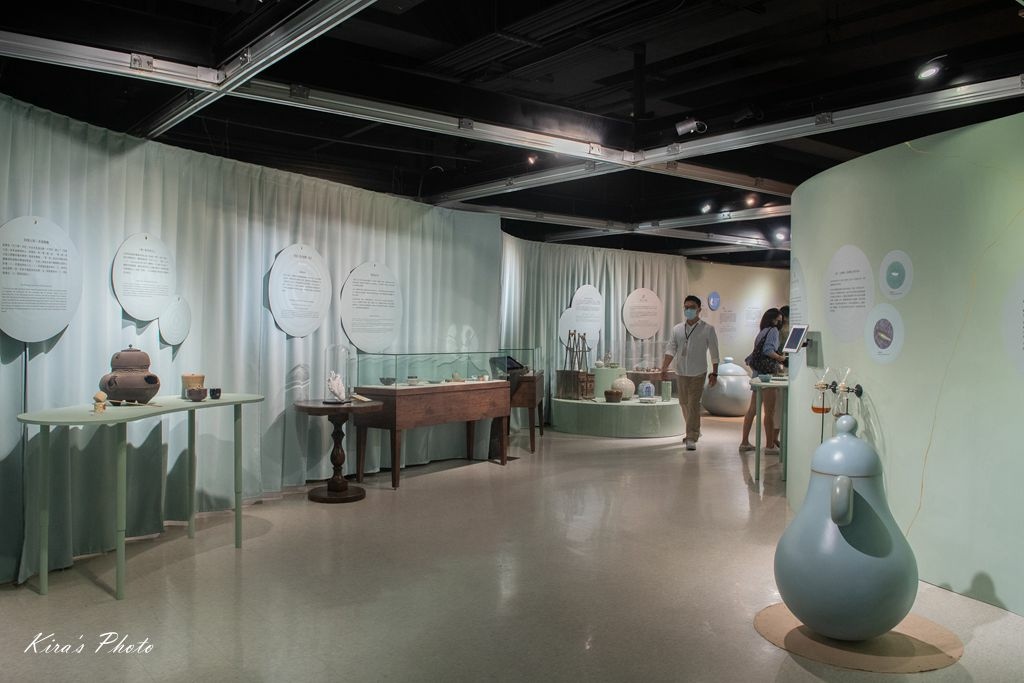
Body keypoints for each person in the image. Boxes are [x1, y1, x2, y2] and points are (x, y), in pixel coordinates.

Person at [661, 295, 720, 451]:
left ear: (699, 309)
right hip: (681, 371)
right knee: (684, 403)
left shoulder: (708, 329)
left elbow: (714, 353)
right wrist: (664, 367)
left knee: (693, 404)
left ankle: (691, 436)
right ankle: (695, 428)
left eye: (692, 307)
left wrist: (715, 373)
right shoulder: (677, 329)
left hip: (698, 372)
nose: (688, 310)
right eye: (686, 307)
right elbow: (671, 348)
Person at [739, 308, 786, 453]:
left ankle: (744, 442)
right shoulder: (773, 331)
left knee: (752, 409)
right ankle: (770, 446)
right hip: (767, 376)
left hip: (757, 375)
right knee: (769, 412)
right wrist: (781, 358)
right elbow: (768, 350)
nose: (780, 323)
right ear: (774, 320)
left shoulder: (762, 331)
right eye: (779, 320)